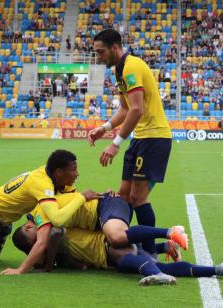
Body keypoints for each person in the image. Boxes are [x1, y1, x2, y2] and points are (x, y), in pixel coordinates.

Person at [88, 29, 173, 255]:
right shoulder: (119, 70)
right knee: (123, 195)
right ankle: (129, 244)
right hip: (141, 138)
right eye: (96, 53)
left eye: (101, 52)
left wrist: (115, 143)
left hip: (154, 138)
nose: (99, 57)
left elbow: (137, 110)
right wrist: (104, 128)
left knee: (138, 198)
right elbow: (125, 108)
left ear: (115, 48)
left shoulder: (132, 66)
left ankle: (150, 254)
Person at [14, 225, 223, 286]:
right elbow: (76, 261)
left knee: (129, 261)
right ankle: (218, 269)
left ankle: (160, 267)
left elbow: (54, 234)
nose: (40, 245)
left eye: (36, 243)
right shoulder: (51, 240)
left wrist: (46, 268)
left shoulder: (51, 227)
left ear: (28, 227)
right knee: (158, 265)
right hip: (105, 253)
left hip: (105, 246)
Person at [24, 192, 188, 252]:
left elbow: (52, 234)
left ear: (29, 226)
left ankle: (170, 232)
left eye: (35, 239)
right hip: (101, 216)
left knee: (115, 237)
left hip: (105, 206)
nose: (40, 241)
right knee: (120, 247)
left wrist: (23, 269)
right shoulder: (40, 215)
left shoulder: (39, 214)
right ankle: (166, 247)